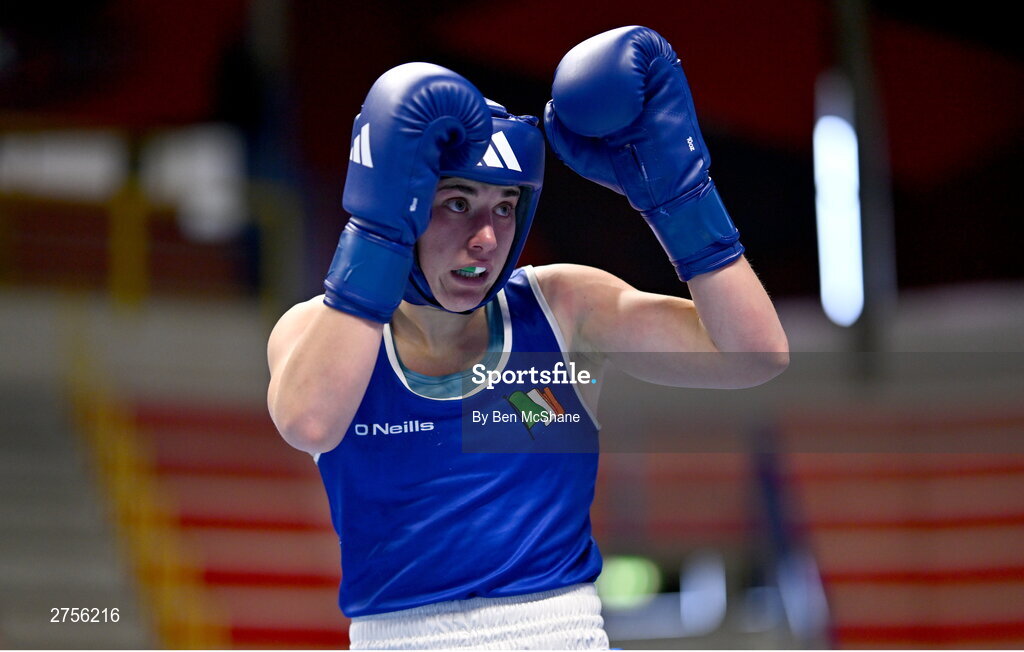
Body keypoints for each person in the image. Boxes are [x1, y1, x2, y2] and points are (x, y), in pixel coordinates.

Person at [267, 26, 788, 650]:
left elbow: (754, 356)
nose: (486, 237)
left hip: (560, 631)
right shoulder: (318, 329)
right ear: (402, 203)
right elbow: (309, 424)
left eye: (505, 208)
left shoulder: (563, 306)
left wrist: (680, 197)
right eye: (457, 203)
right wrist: (375, 237)